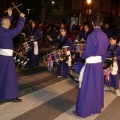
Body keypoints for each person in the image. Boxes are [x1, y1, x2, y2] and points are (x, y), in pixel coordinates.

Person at [73, 14, 109, 118]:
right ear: (101, 23)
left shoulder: (91, 35)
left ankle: (83, 111)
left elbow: (87, 52)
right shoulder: (105, 36)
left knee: (86, 87)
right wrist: (102, 63)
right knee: (96, 87)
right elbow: (105, 52)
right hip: (99, 64)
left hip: (91, 65)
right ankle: (94, 108)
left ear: (92, 23)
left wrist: (82, 55)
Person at [0, 8, 25, 102]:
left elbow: (5, 23)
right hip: (7, 59)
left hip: (1, 57)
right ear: (7, 24)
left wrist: (10, 16)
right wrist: (21, 18)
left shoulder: (1, 30)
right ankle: (10, 96)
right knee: (10, 77)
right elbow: (18, 29)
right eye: (9, 23)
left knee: (2, 75)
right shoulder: (7, 33)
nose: (10, 24)